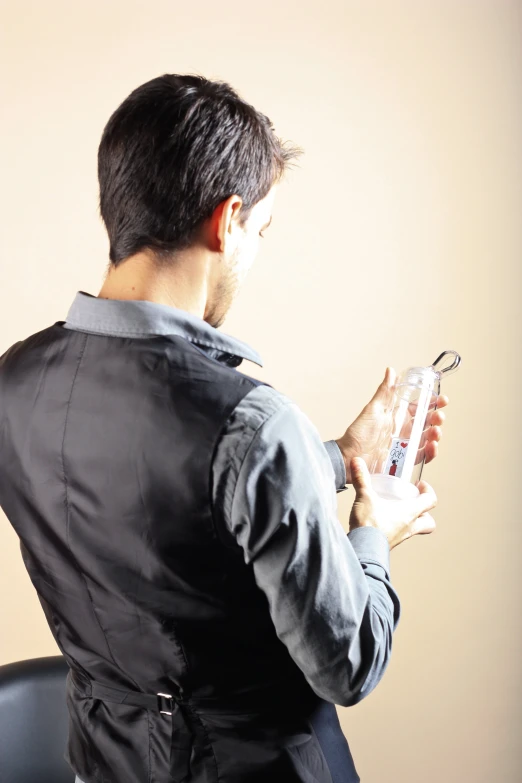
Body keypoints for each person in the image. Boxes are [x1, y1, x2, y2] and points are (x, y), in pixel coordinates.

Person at [0, 74, 447, 783]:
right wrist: (372, 527)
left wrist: (333, 458)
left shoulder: (13, 381)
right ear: (227, 219)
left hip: (104, 765)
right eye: (261, 230)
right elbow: (348, 661)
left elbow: (160, 504)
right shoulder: (253, 424)